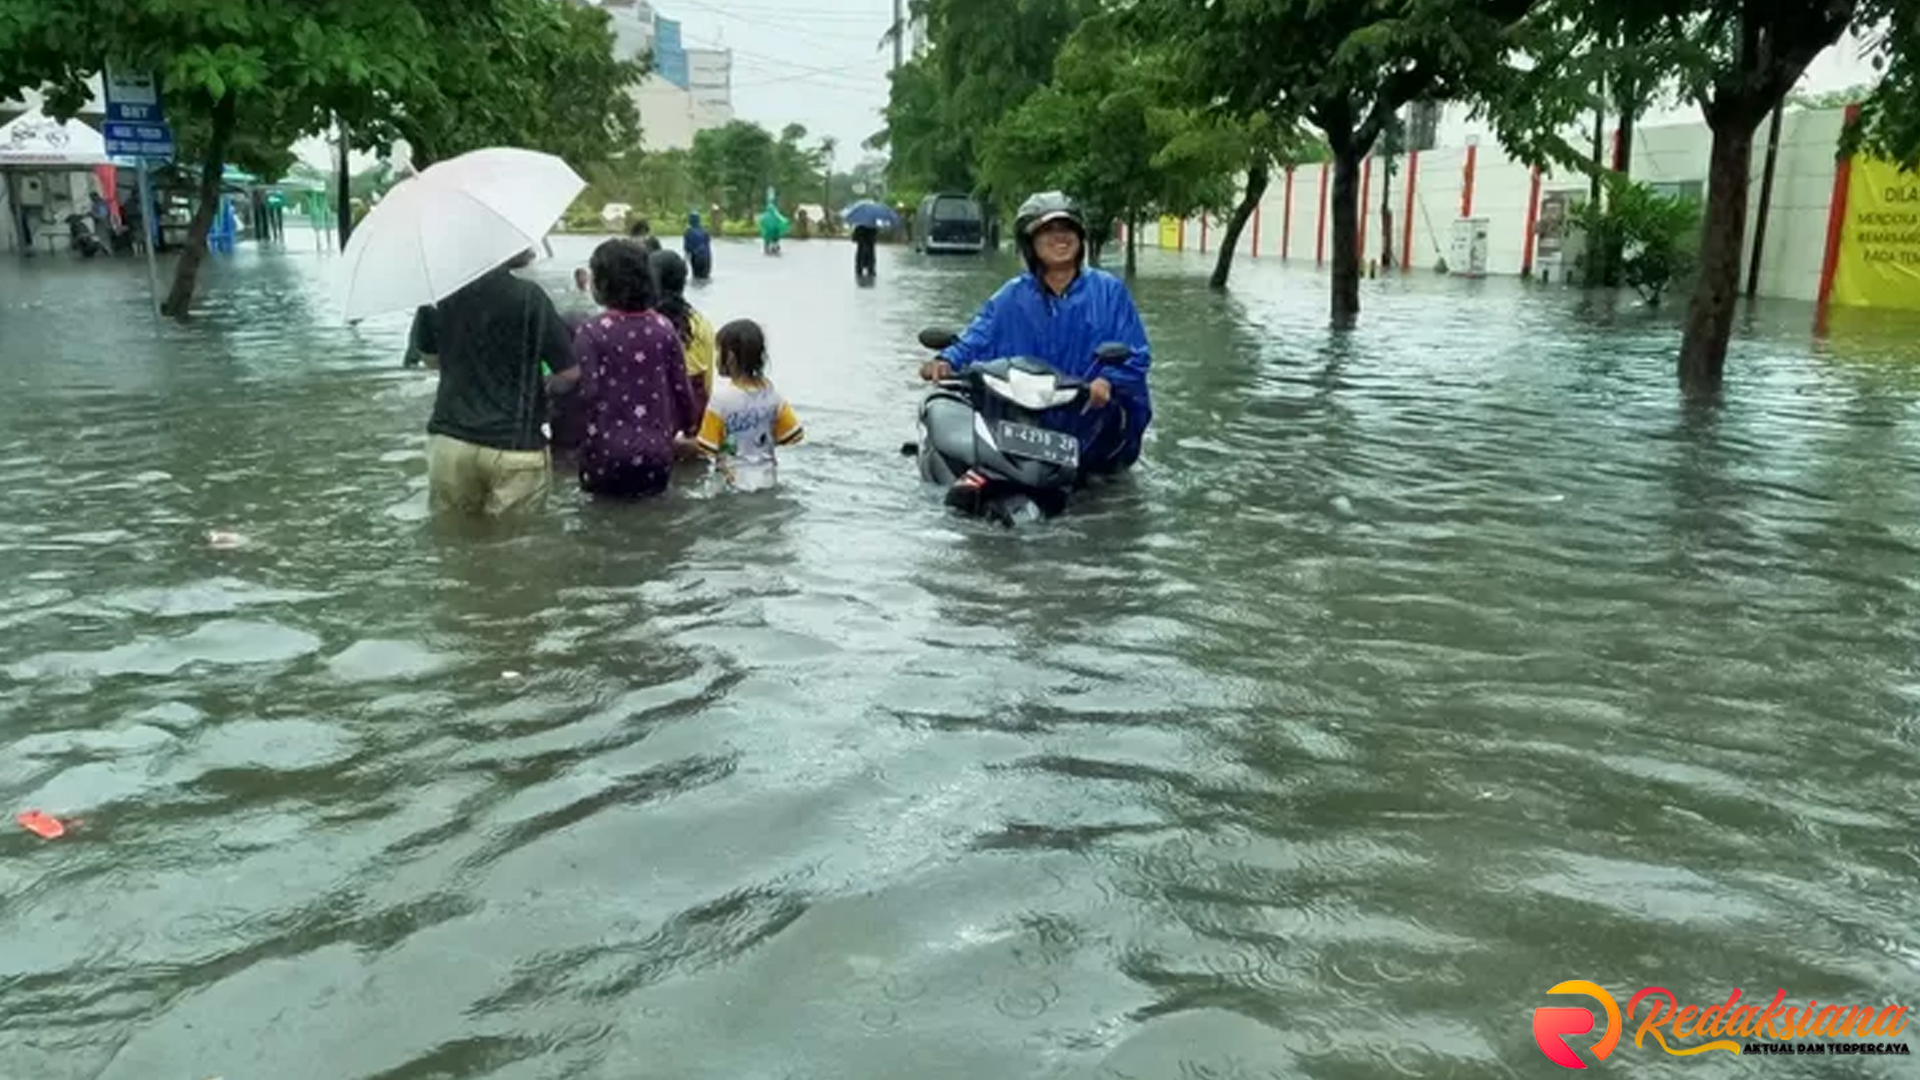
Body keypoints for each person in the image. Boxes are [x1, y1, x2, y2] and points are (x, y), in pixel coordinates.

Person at [919, 191, 1151, 477]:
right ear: (1030, 243)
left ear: (1080, 237)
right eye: (1047, 232)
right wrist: (946, 360)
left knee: (1106, 496)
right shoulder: (1011, 296)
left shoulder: (1109, 292)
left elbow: (1136, 353)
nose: (1060, 238)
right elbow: (977, 338)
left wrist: (1106, 381)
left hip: (1091, 421)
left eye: (1067, 229)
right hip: (1023, 425)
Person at [411, 248, 579, 515]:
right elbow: (569, 372)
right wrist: (540, 382)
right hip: (515, 446)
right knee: (515, 548)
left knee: (453, 545)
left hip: (451, 441)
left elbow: (430, 360)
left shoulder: (437, 296)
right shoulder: (529, 296)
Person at [571, 238, 699, 500]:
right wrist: (690, 427)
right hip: (657, 453)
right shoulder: (663, 327)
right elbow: (681, 389)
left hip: (604, 453)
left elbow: (587, 393)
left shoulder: (590, 331)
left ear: (603, 285)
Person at [697, 319, 804, 492]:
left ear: (730, 356)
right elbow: (794, 436)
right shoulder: (773, 395)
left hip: (732, 484)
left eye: (718, 351)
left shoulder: (721, 399)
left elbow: (706, 446)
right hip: (767, 480)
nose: (716, 357)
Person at [649, 248, 717, 418]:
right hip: (693, 413)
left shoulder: (643, 326)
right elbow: (708, 383)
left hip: (653, 416)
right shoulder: (700, 323)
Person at [683, 211, 713, 281]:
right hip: (706, 258)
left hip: (696, 258)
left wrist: (684, 262)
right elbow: (707, 244)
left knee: (697, 278)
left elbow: (687, 248)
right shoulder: (704, 231)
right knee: (705, 278)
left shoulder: (688, 232)